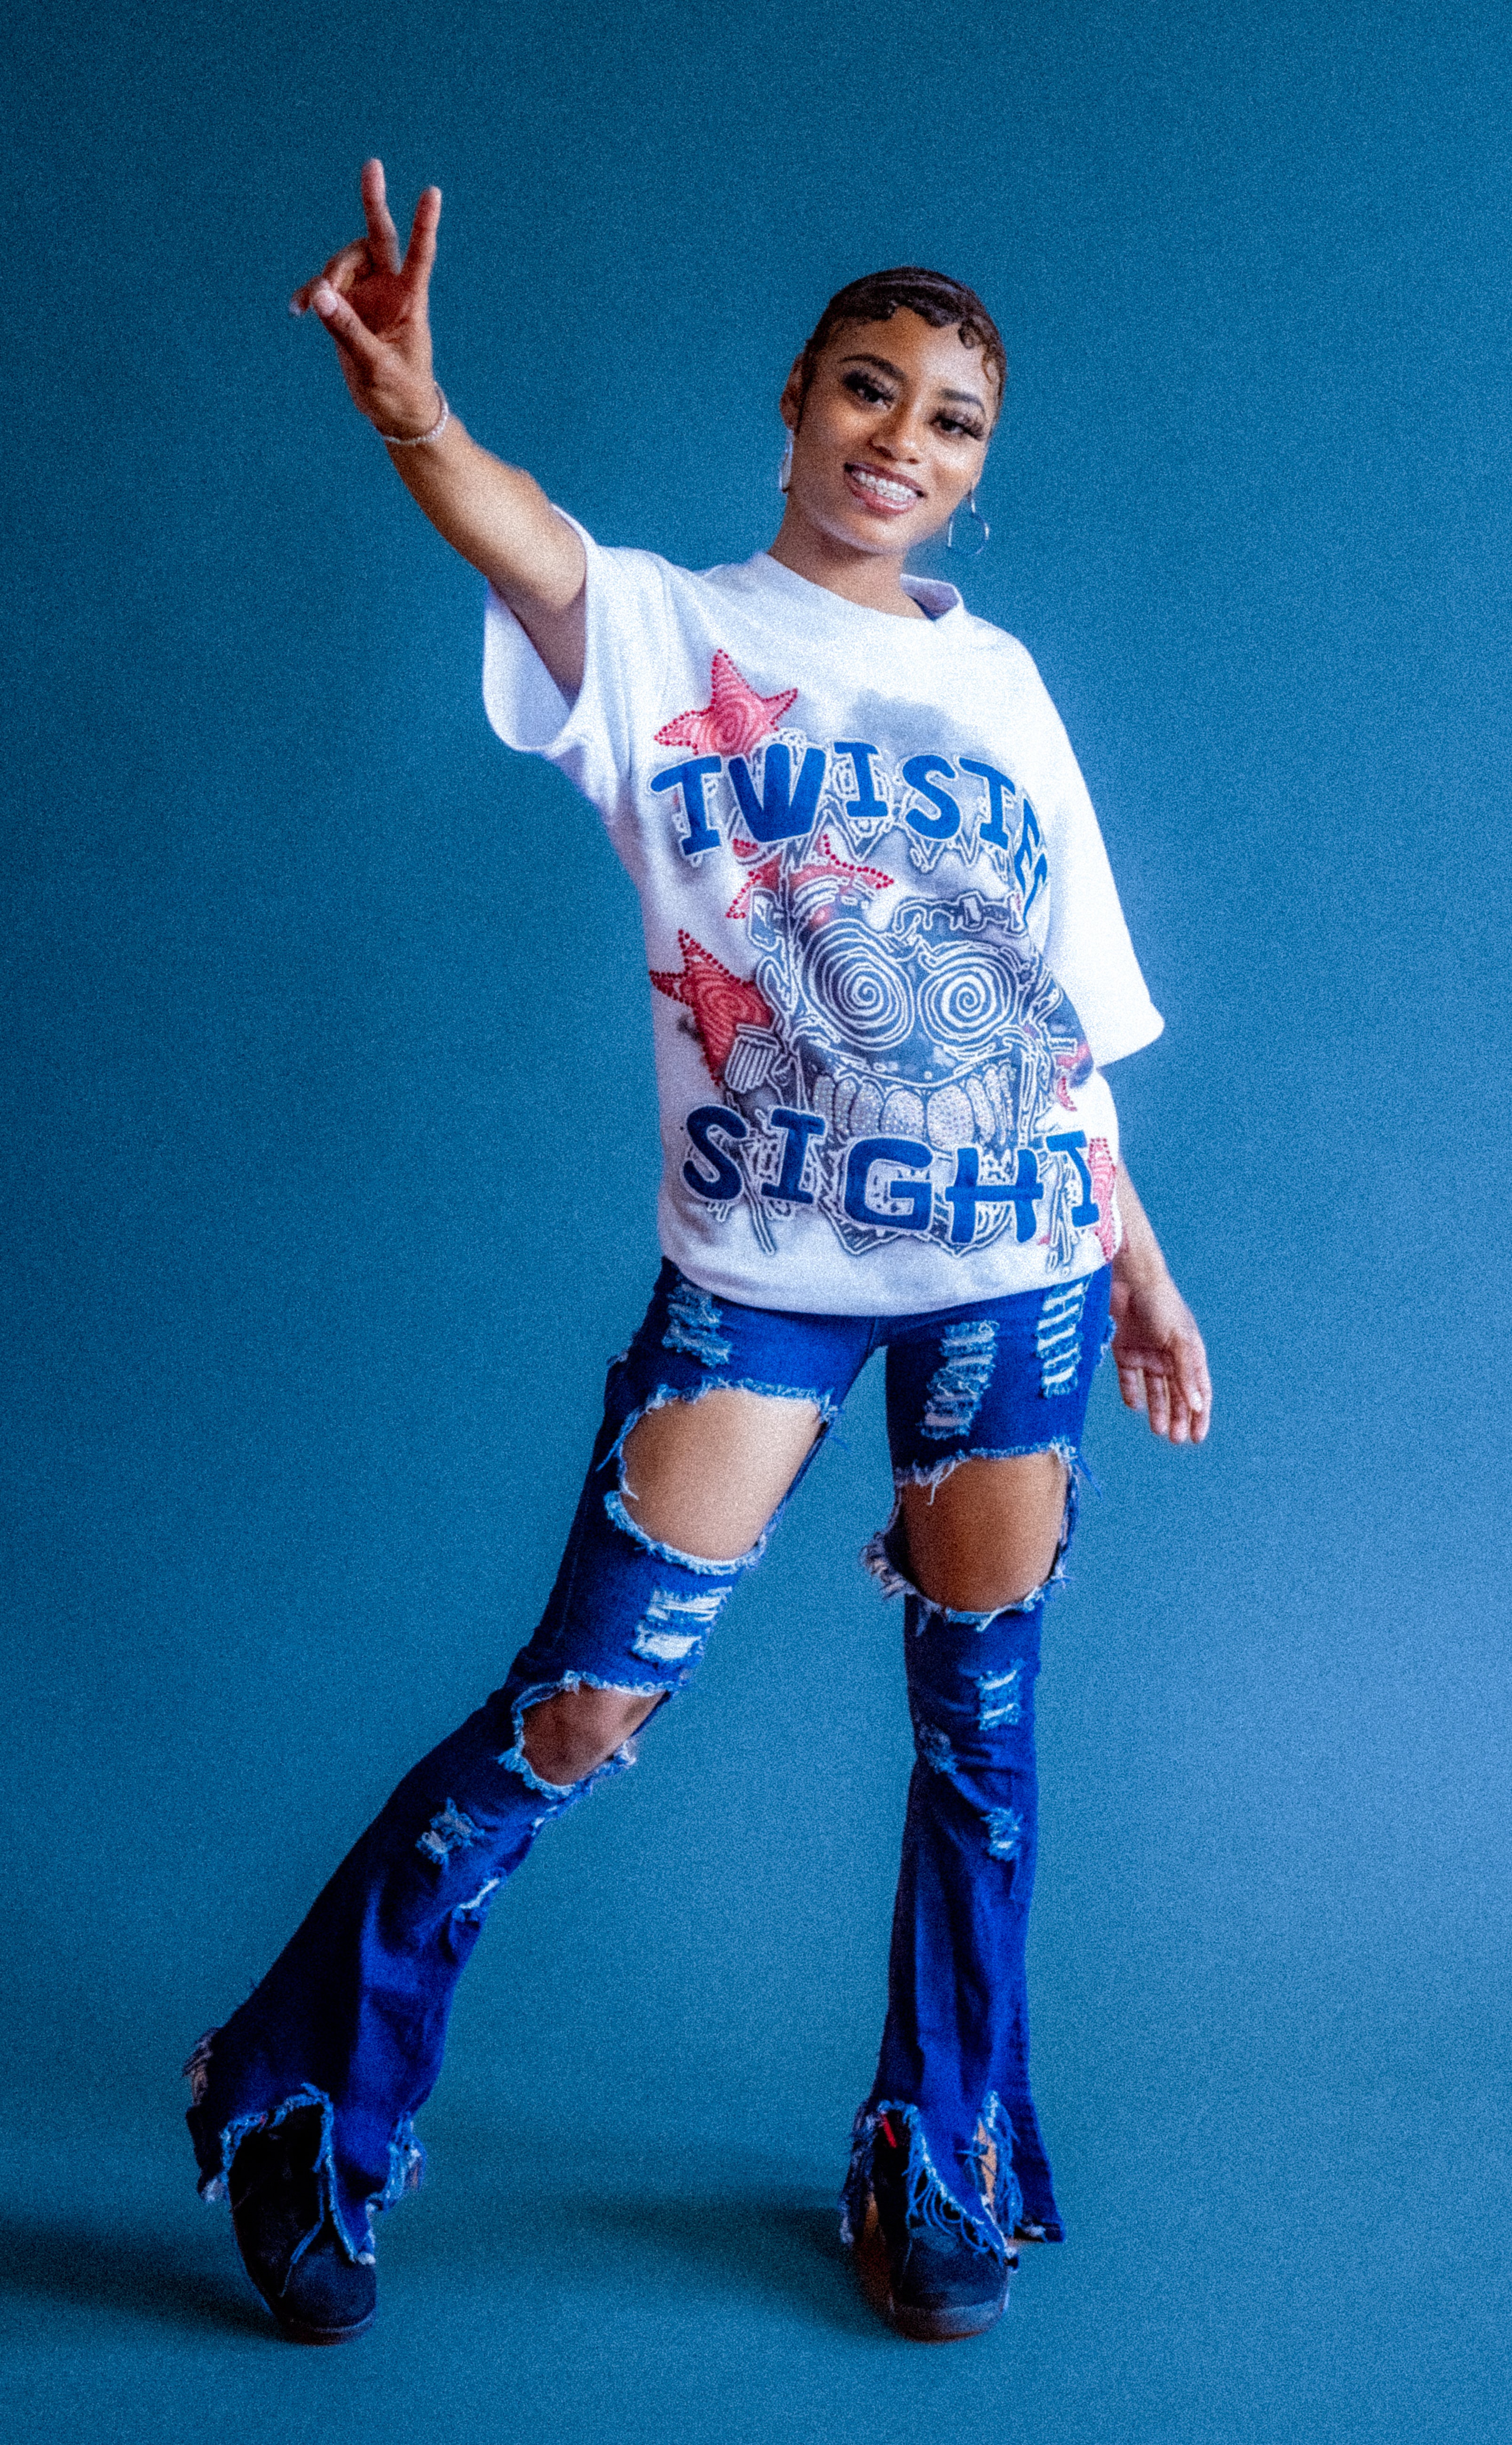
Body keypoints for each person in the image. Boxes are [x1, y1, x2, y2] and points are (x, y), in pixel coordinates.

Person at [185, 160, 1211, 2349]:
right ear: (798, 401)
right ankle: (300, 2083)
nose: (902, 440)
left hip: (1019, 1262)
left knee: (984, 1728)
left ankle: (938, 2147)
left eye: (951, 421)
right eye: (870, 389)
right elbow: (515, 533)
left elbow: (1052, 1009)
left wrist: (1140, 1259)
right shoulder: (670, 629)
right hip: (764, 1274)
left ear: (979, 472)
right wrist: (412, 410)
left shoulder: (1006, 686)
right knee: (585, 1701)